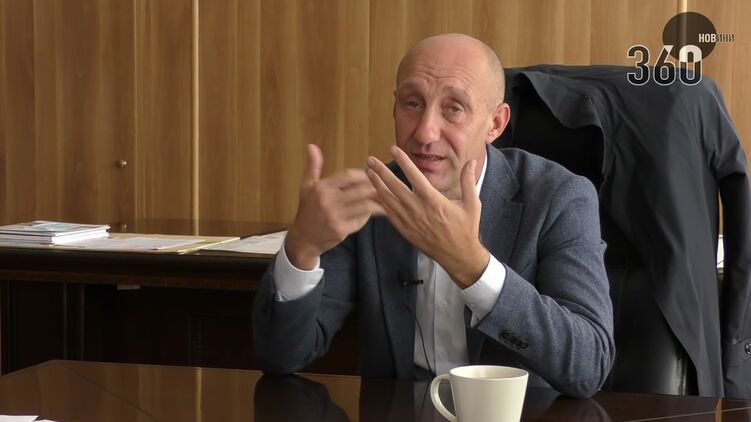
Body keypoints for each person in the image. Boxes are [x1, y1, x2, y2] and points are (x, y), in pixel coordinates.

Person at [253, 33, 615, 398]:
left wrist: (473, 267)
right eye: (412, 103)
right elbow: (281, 357)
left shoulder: (559, 197)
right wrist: (301, 249)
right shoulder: (371, 200)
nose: (425, 132)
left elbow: (588, 366)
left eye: (453, 108)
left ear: (495, 123)